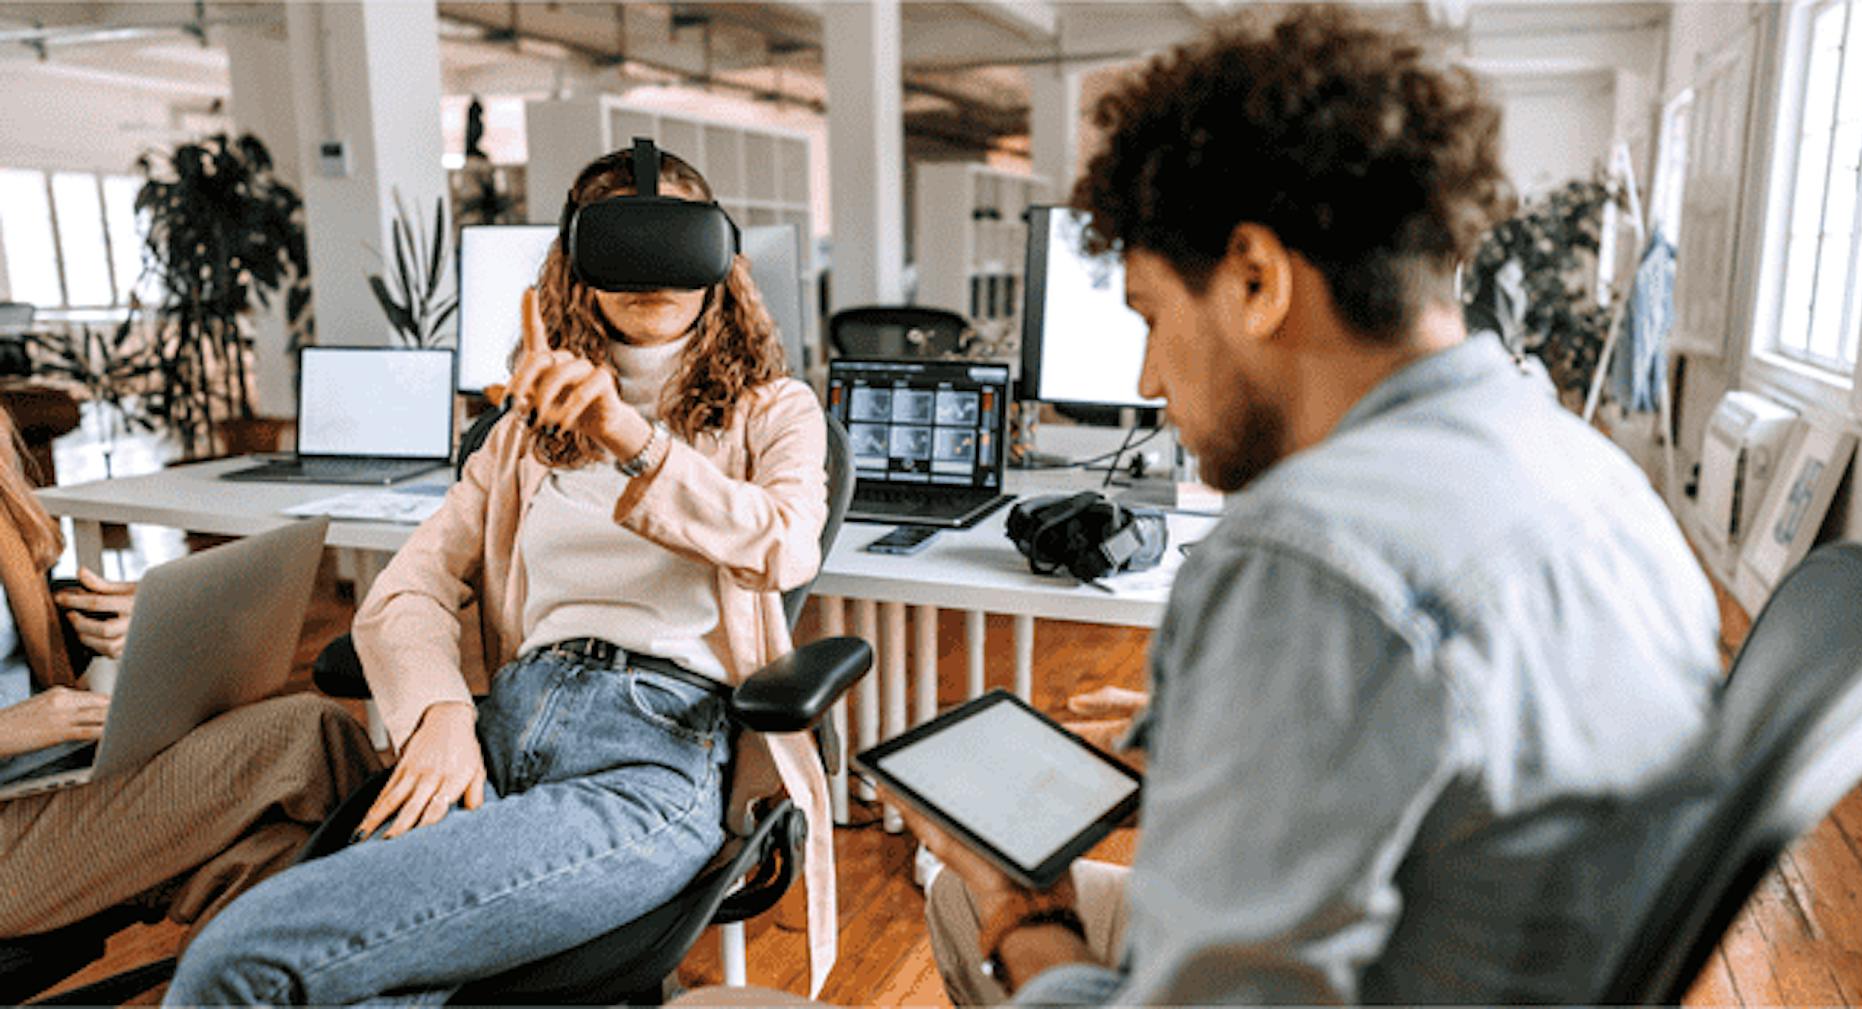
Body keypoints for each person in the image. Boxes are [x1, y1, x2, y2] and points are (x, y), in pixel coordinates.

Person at [903, 8, 1723, 1005]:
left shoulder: (1307, 561)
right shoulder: (1590, 471)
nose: (1150, 376)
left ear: (1255, 277)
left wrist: (1030, 920)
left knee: (965, 899)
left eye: (1153, 318)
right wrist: (1229, 747)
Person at [167, 148, 834, 1005]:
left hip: (650, 756)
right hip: (496, 736)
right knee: (357, 989)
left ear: (720, 259)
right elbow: (404, 591)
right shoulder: (521, 436)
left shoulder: (775, 411)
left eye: (675, 239)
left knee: (242, 960)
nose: (649, 270)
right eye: (619, 245)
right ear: (575, 266)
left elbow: (785, 547)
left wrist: (632, 439)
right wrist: (439, 712)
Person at [0, 411, 378, 950]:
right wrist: (13, 728)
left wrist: (137, 620)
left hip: (54, 778)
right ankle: (435, 918)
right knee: (306, 730)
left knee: (282, 852)